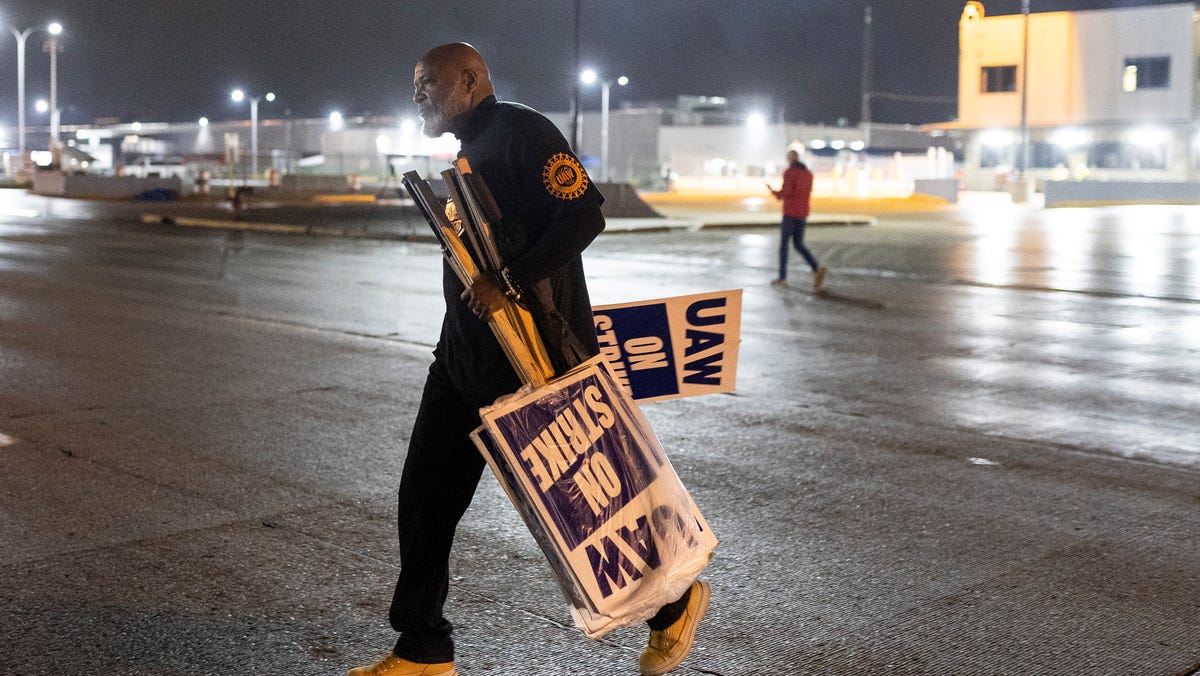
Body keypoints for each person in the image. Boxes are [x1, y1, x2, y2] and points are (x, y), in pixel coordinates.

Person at [350, 42, 709, 676]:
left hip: (531, 365)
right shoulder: (466, 149)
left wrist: (511, 280)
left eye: (426, 84)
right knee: (424, 500)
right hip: (461, 363)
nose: (417, 97)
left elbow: (583, 216)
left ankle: (672, 607)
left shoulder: (522, 132)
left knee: (578, 513)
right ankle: (422, 651)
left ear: (468, 80)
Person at [768, 149, 826, 290]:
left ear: (790, 159)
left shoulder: (790, 172)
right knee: (799, 244)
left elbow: (786, 192)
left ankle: (782, 278)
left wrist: (773, 191)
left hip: (790, 213)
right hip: (803, 213)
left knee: (784, 246)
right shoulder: (808, 174)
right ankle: (816, 268)